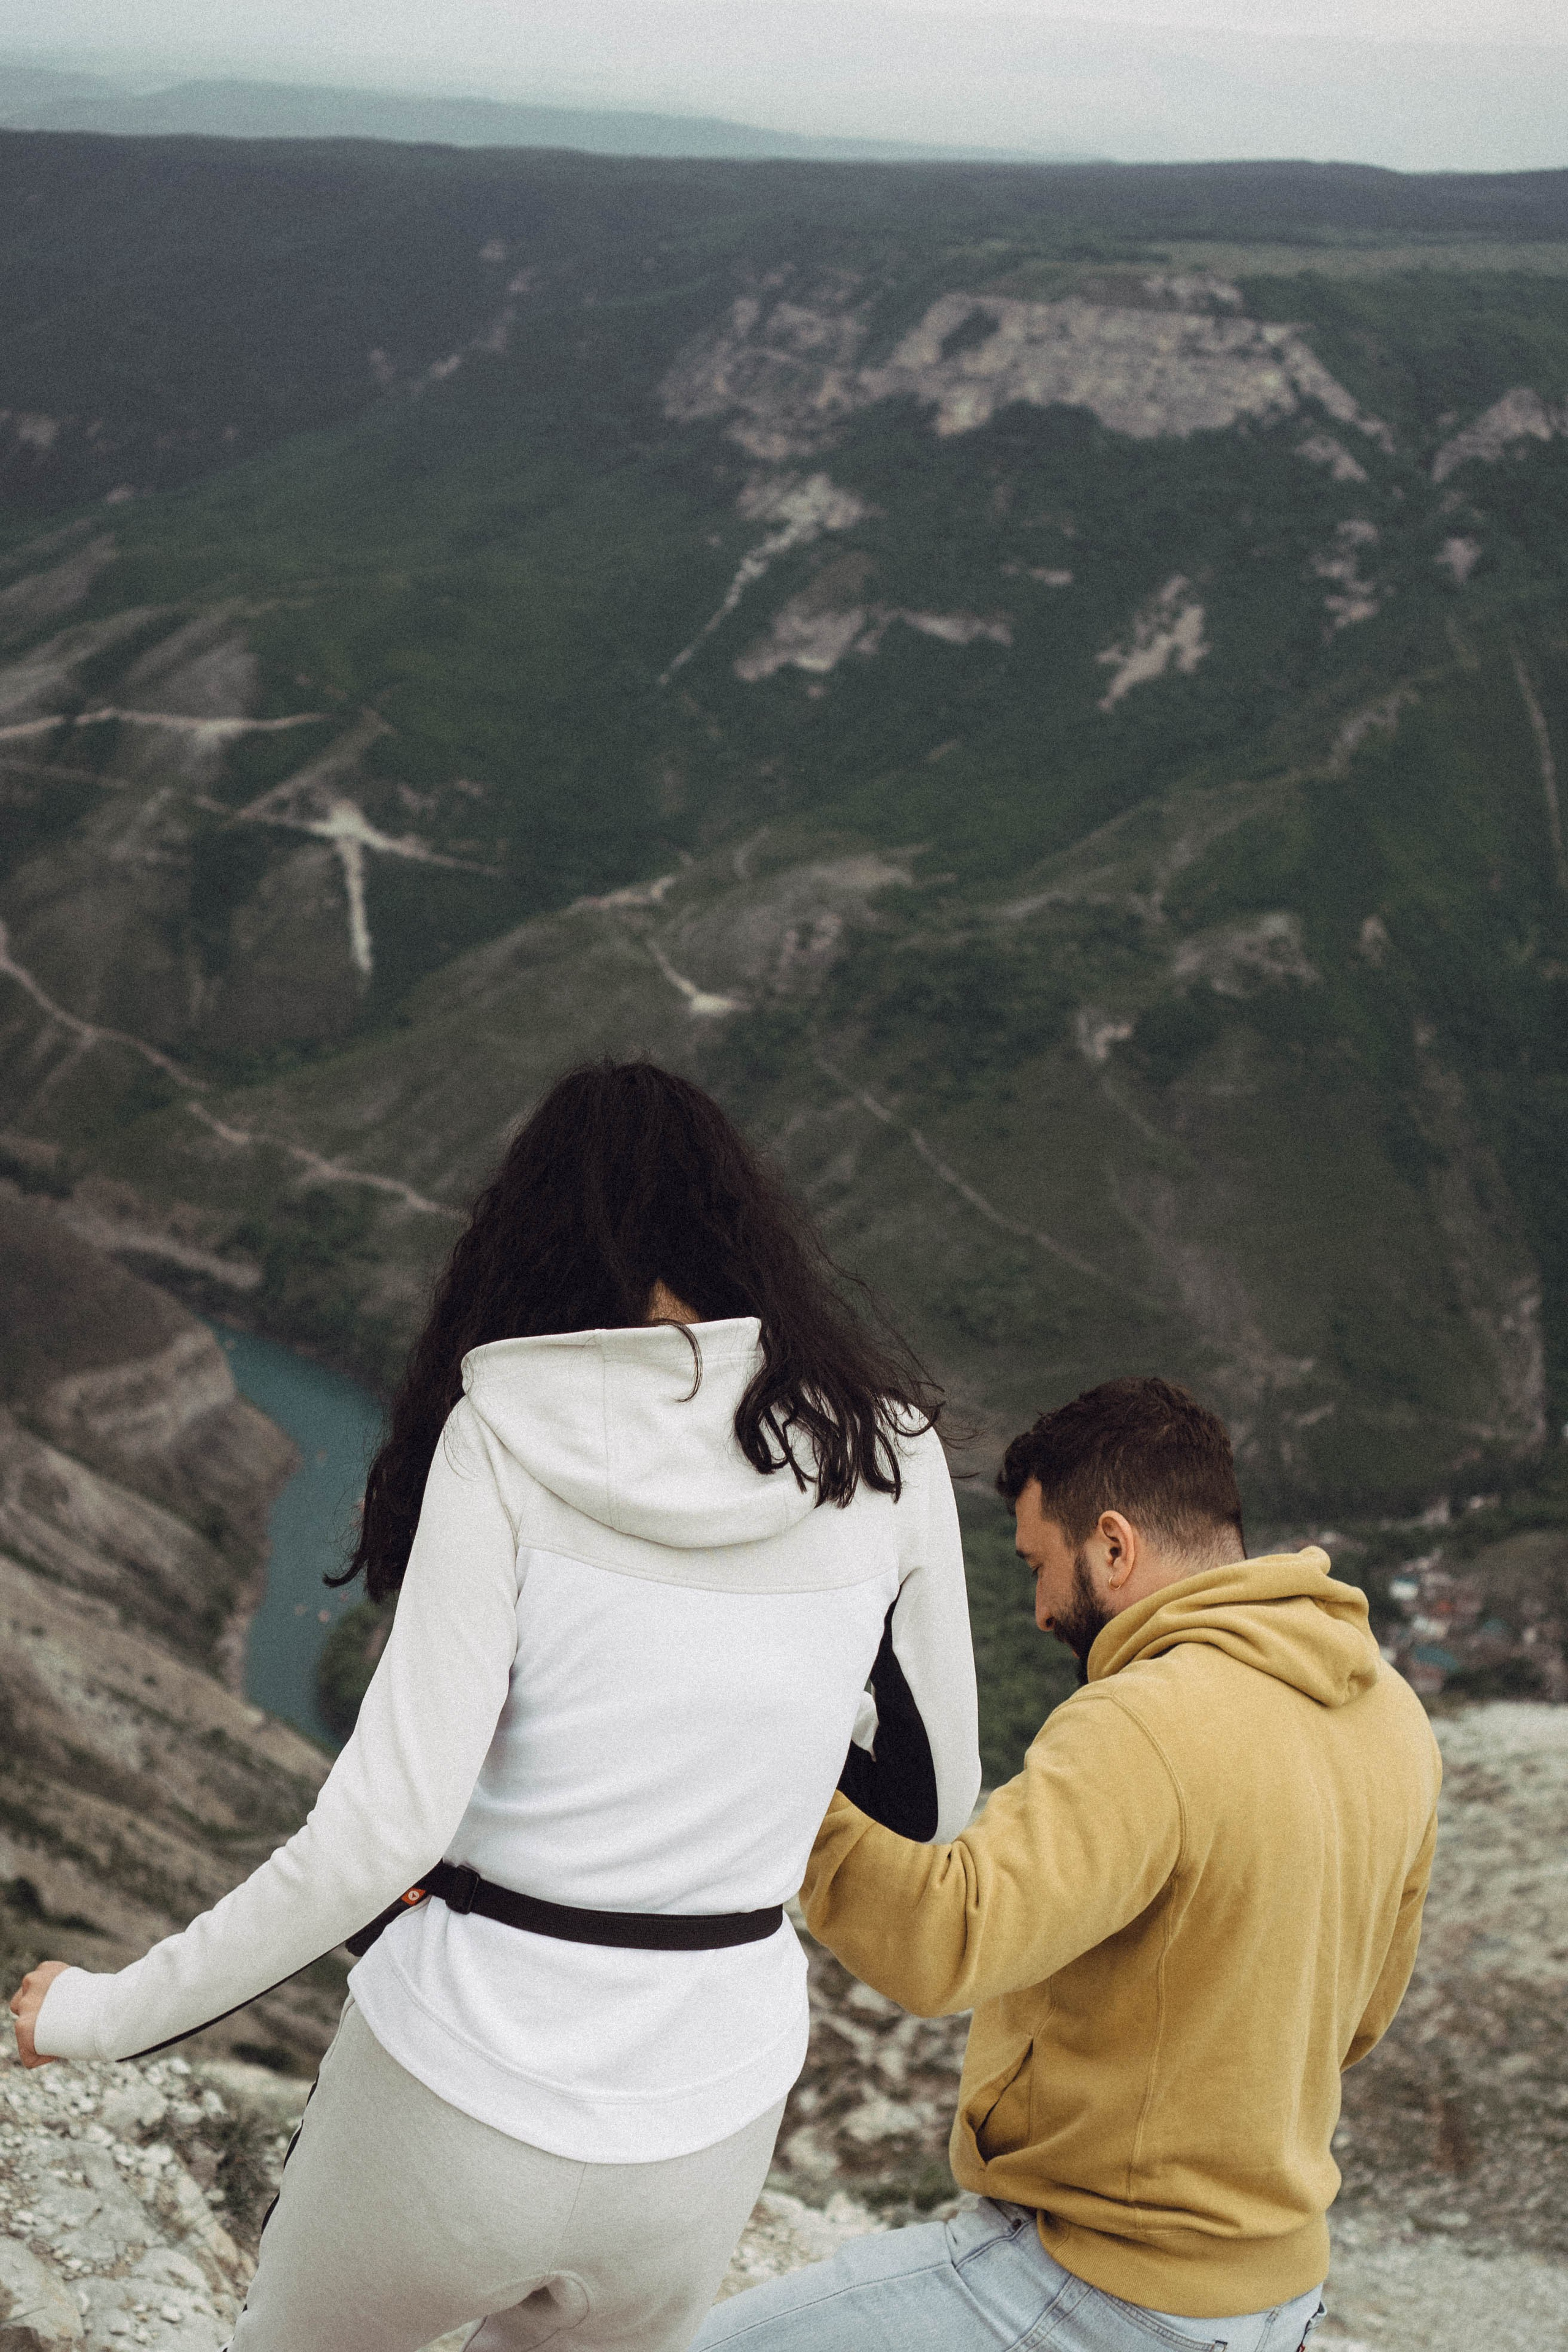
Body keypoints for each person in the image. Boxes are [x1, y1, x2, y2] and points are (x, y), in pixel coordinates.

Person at [9, 1060, 980, 2352]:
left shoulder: (505, 1434)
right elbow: (934, 1802)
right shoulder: (888, 1451)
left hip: (456, 2098)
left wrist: (102, 2015)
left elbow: (379, 1838)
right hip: (706, 2113)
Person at [695, 1376, 1442, 2352]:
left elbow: (945, 1940)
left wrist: (784, 1778)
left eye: (1039, 1564)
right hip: (1273, 2299)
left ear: (1116, 1545)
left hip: (1098, 2287)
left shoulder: (1144, 1721)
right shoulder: (1392, 1715)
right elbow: (1361, 2018)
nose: (1042, 1609)